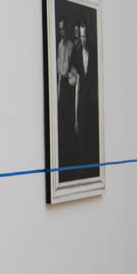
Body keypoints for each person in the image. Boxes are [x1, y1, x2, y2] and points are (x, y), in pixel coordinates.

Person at [72, 23, 99, 179]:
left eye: (85, 36)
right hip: (81, 106)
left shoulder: (94, 53)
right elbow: (77, 87)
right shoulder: (77, 54)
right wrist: (76, 117)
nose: (83, 40)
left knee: (91, 143)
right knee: (81, 145)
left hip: (92, 105)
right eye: (81, 36)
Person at [56, 19, 78, 181]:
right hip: (62, 84)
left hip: (69, 86)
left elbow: (72, 69)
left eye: (63, 29)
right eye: (60, 29)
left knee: (69, 122)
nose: (61, 32)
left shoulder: (71, 46)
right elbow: (59, 70)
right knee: (62, 121)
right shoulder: (59, 45)